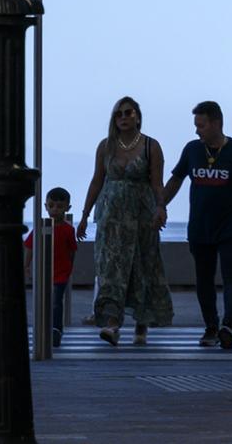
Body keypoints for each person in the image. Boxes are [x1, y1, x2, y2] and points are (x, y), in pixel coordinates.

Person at [162, 99, 232, 351]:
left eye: (202, 125)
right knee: (203, 279)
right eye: (196, 125)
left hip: (230, 228)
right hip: (199, 228)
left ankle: (229, 326)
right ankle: (211, 326)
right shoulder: (192, 150)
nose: (197, 130)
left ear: (216, 123)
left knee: (231, 277)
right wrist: (159, 205)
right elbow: (176, 180)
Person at [77, 95, 174, 344]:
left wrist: (161, 207)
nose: (123, 117)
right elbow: (97, 179)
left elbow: (156, 183)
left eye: (128, 113)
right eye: (119, 114)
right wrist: (85, 215)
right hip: (111, 218)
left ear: (138, 117)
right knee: (111, 270)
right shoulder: (106, 146)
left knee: (142, 268)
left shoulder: (151, 146)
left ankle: (141, 324)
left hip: (141, 216)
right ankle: (112, 324)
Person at [23, 187, 76, 347]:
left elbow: (72, 250)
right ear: (45, 206)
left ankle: (56, 330)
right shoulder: (40, 227)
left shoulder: (68, 229)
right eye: (51, 205)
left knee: (56, 301)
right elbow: (30, 247)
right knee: (43, 301)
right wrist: (26, 265)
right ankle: (44, 328)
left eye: (59, 206)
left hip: (61, 273)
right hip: (43, 272)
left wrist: (69, 269)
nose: (54, 210)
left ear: (67, 208)